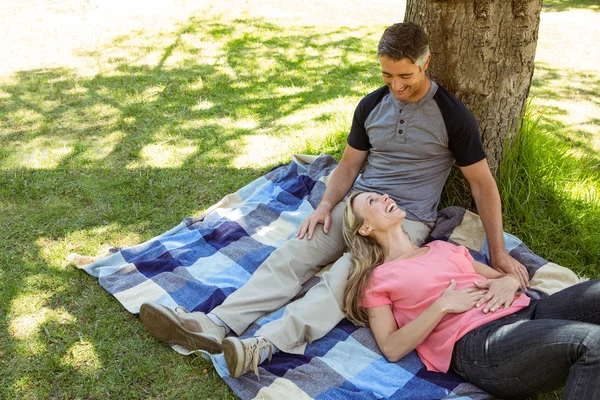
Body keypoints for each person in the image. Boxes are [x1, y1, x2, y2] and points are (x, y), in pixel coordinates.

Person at [139, 22, 529, 379]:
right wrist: (326, 206)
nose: (396, 85)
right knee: (293, 254)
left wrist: (497, 253)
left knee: (345, 276)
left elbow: (483, 185)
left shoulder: (453, 117)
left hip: (404, 220)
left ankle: (263, 346)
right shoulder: (371, 106)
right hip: (356, 207)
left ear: (427, 63)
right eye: (387, 75)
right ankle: (216, 324)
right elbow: (347, 167)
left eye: (405, 76)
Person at [342, 190, 600, 399]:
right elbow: (391, 348)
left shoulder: (442, 247)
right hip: (482, 344)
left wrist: (509, 281)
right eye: (372, 201)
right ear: (365, 229)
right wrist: (441, 305)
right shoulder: (377, 278)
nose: (385, 198)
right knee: (593, 343)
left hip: (526, 310)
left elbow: (500, 278)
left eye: (382, 195)